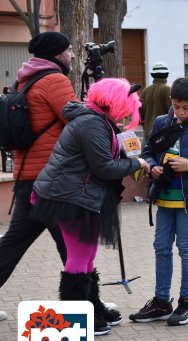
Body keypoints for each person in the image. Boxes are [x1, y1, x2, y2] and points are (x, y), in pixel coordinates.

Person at [30, 78, 150, 336]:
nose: (129, 110)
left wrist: (132, 159)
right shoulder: (92, 124)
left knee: (87, 254)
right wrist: (137, 164)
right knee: (78, 256)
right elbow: (103, 167)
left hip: (79, 194)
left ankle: (91, 306)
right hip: (69, 197)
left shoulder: (99, 122)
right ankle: (75, 318)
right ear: (115, 102)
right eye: (127, 104)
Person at [130, 77, 188, 326]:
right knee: (161, 247)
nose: (180, 112)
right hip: (163, 197)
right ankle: (161, 302)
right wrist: (152, 167)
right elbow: (148, 152)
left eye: (186, 108)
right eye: (175, 107)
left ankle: (187, 303)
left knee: (186, 248)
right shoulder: (163, 121)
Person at [0, 32, 78, 314]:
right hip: (52, 179)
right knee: (72, 244)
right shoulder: (55, 80)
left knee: (14, 243)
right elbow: (78, 121)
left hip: (28, 176)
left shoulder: (25, 79)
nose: (71, 55)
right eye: (69, 50)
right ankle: (85, 302)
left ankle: (86, 298)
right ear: (56, 53)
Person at [140, 62, 171, 147]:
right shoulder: (168, 90)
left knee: (146, 158)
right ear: (167, 75)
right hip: (163, 133)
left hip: (148, 132)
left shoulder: (145, 91)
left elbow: (140, 113)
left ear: (152, 75)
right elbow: (172, 112)